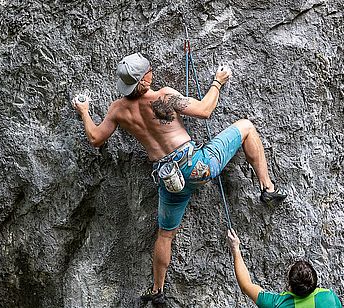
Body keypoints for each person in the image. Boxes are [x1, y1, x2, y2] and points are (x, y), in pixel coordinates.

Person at [72, 52, 287, 304]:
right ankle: (267, 188)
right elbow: (205, 110)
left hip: (169, 179)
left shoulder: (118, 110)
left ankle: (157, 290)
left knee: (165, 235)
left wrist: (85, 111)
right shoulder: (163, 96)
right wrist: (218, 81)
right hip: (197, 166)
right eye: (149, 70)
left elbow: (96, 138)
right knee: (247, 127)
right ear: (144, 79)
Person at [227, 229, 342, 307]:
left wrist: (236, 249)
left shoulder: (278, 304)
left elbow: (246, 286)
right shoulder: (329, 297)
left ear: (290, 285)